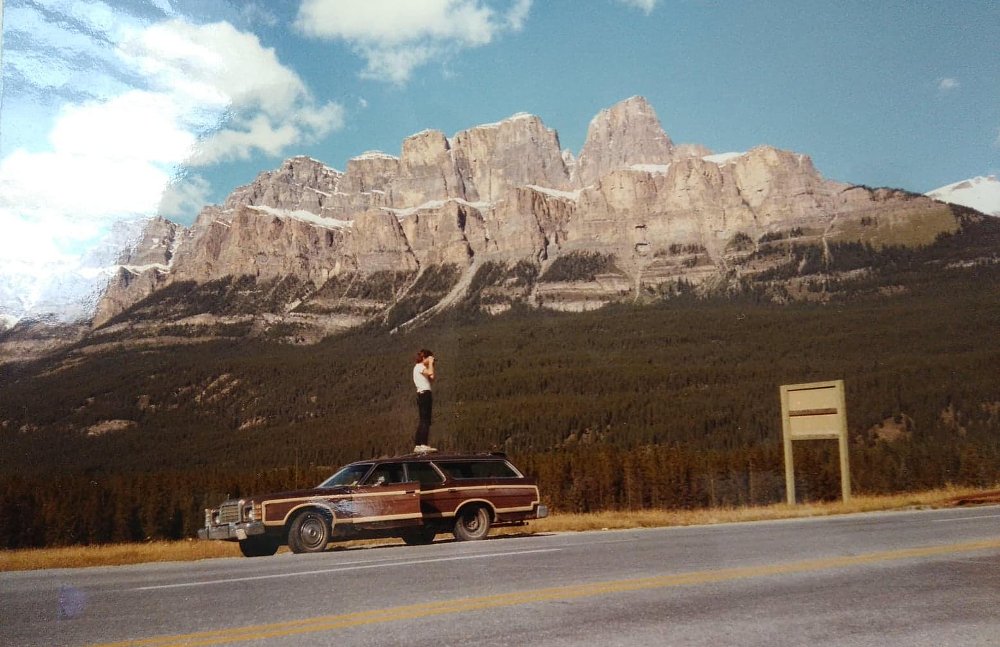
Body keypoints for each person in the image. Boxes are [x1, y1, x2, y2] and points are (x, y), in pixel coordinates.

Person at [413, 349, 436, 452]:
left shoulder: (421, 368)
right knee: (425, 420)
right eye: (429, 357)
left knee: (423, 420)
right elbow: (430, 372)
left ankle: (418, 444)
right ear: (424, 358)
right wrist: (430, 363)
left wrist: (431, 364)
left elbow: (432, 377)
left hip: (423, 395)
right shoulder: (419, 367)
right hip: (424, 394)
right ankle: (423, 444)